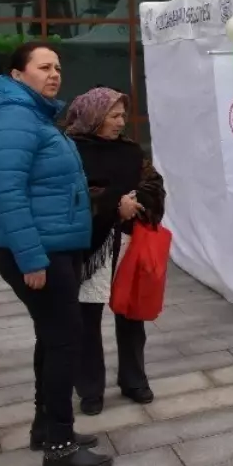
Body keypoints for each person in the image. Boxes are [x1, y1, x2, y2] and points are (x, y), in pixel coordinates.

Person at [0, 43, 112, 466]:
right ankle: (60, 445)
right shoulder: (12, 118)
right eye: (43, 67)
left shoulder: (34, 115)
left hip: (54, 245)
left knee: (54, 337)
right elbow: (7, 195)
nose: (54, 74)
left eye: (57, 67)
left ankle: (45, 428)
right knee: (64, 339)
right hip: (39, 252)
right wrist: (32, 259)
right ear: (17, 75)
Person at [65, 87, 165, 416]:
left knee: (131, 315)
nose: (121, 122)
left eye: (123, 115)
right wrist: (112, 205)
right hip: (90, 248)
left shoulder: (131, 151)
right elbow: (70, 195)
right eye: (114, 115)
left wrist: (134, 202)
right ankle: (90, 389)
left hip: (127, 244)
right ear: (94, 116)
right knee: (87, 319)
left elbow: (154, 184)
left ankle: (134, 380)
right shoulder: (69, 150)